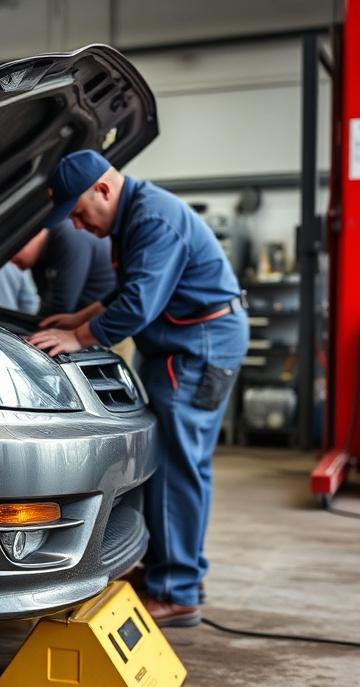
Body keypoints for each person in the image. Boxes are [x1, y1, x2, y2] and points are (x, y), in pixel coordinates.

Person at [29, 149, 248, 627]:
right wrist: (83, 316)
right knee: (171, 464)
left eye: (81, 214)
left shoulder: (153, 219)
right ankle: (174, 572)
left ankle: (179, 590)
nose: (80, 227)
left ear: (103, 190)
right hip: (183, 343)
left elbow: (139, 303)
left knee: (176, 467)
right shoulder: (134, 215)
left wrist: (78, 337)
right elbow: (129, 289)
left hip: (198, 348)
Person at [13, 220, 117, 316]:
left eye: (13, 250)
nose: (11, 261)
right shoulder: (39, 258)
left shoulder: (68, 235)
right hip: (80, 317)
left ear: (31, 236)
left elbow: (62, 306)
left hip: (104, 320)